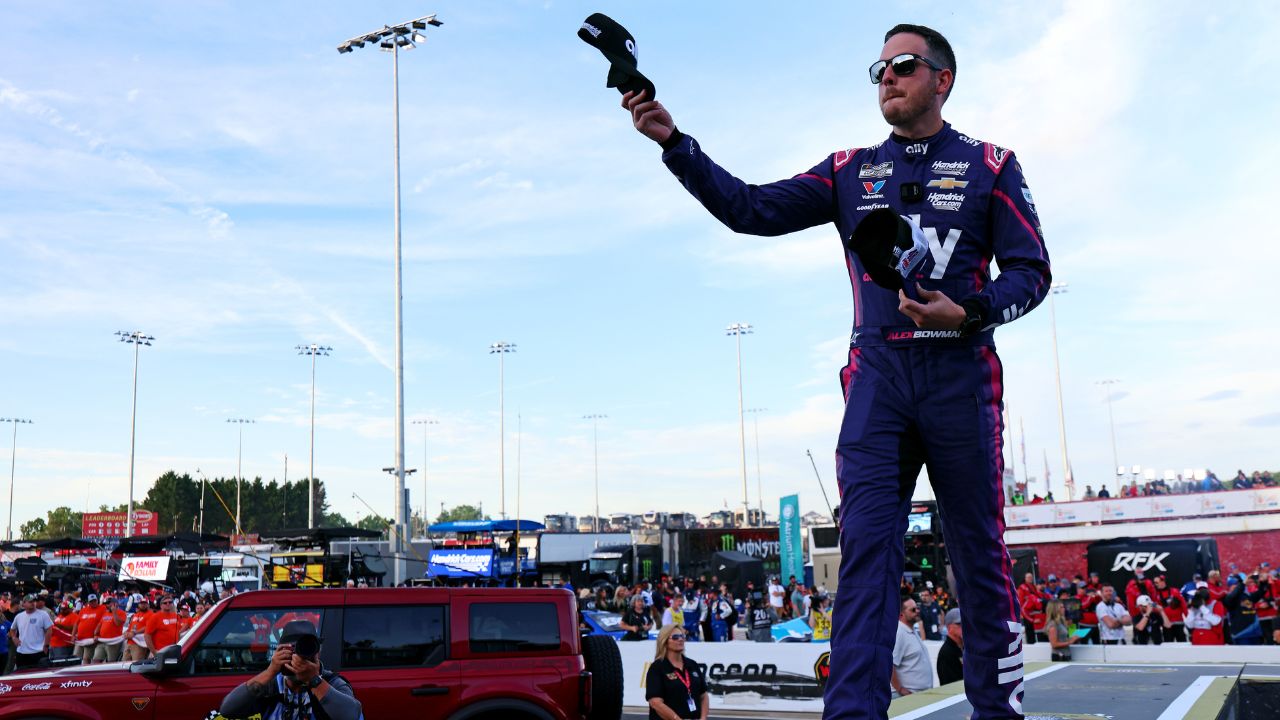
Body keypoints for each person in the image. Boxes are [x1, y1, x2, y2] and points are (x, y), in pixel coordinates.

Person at [621, 22, 1046, 717]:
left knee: (979, 562)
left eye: (904, 65)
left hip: (961, 376)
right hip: (878, 377)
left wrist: (966, 312)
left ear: (942, 79)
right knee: (865, 565)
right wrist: (676, 144)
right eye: (877, 68)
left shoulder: (991, 164)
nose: (887, 76)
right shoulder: (850, 168)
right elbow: (750, 209)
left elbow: (1032, 272)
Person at [220, 619, 363, 720]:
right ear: (280, 652)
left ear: (317, 653)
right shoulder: (272, 687)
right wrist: (270, 671)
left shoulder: (332, 683)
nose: (299, 657)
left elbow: (352, 715)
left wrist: (314, 681)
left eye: (306, 649)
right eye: (292, 649)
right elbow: (228, 710)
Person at [645, 624, 709, 720]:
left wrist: (703, 718)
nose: (680, 639)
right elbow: (656, 703)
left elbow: (703, 696)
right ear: (665, 641)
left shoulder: (692, 665)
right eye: (675, 637)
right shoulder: (657, 668)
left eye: (682, 636)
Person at [891, 598, 931, 698]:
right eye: (913, 610)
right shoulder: (899, 633)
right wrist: (900, 689)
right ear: (901, 614)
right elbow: (889, 664)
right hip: (908, 696)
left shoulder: (911, 630)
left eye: (917, 608)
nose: (917, 611)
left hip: (918, 695)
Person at [9, 595, 52, 669]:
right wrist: (14, 637)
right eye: (30, 602)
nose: (33, 603)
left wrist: (46, 646)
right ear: (23, 604)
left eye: (34, 601)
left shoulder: (43, 614)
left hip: (39, 652)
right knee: (22, 677)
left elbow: (49, 629)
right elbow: (12, 629)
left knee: (40, 676)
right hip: (22, 653)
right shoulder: (19, 616)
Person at [92, 596, 128, 663]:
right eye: (106, 603)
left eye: (109, 603)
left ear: (115, 603)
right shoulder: (105, 613)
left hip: (113, 642)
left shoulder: (122, 613)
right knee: (95, 660)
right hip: (102, 641)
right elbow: (99, 625)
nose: (107, 605)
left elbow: (118, 623)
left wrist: (114, 612)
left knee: (111, 662)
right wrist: (95, 634)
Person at [936, 607, 963, 685]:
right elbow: (950, 683)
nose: (964, 627)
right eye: (959, 624)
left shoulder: (964, 648)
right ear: (949, 627)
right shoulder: (946, 653)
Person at [123, 596, 152, 661]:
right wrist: (126, 633)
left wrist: (135, 632)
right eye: (141, 603)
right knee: (124, 663)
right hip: (129, 642)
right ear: (138, 604)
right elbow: (130, 627)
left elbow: (148, 627)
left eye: (145, 603)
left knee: (136, 663)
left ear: (148, 605)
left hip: (140, 644)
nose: (143, 605)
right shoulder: (135, 615)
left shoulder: (151, 614)